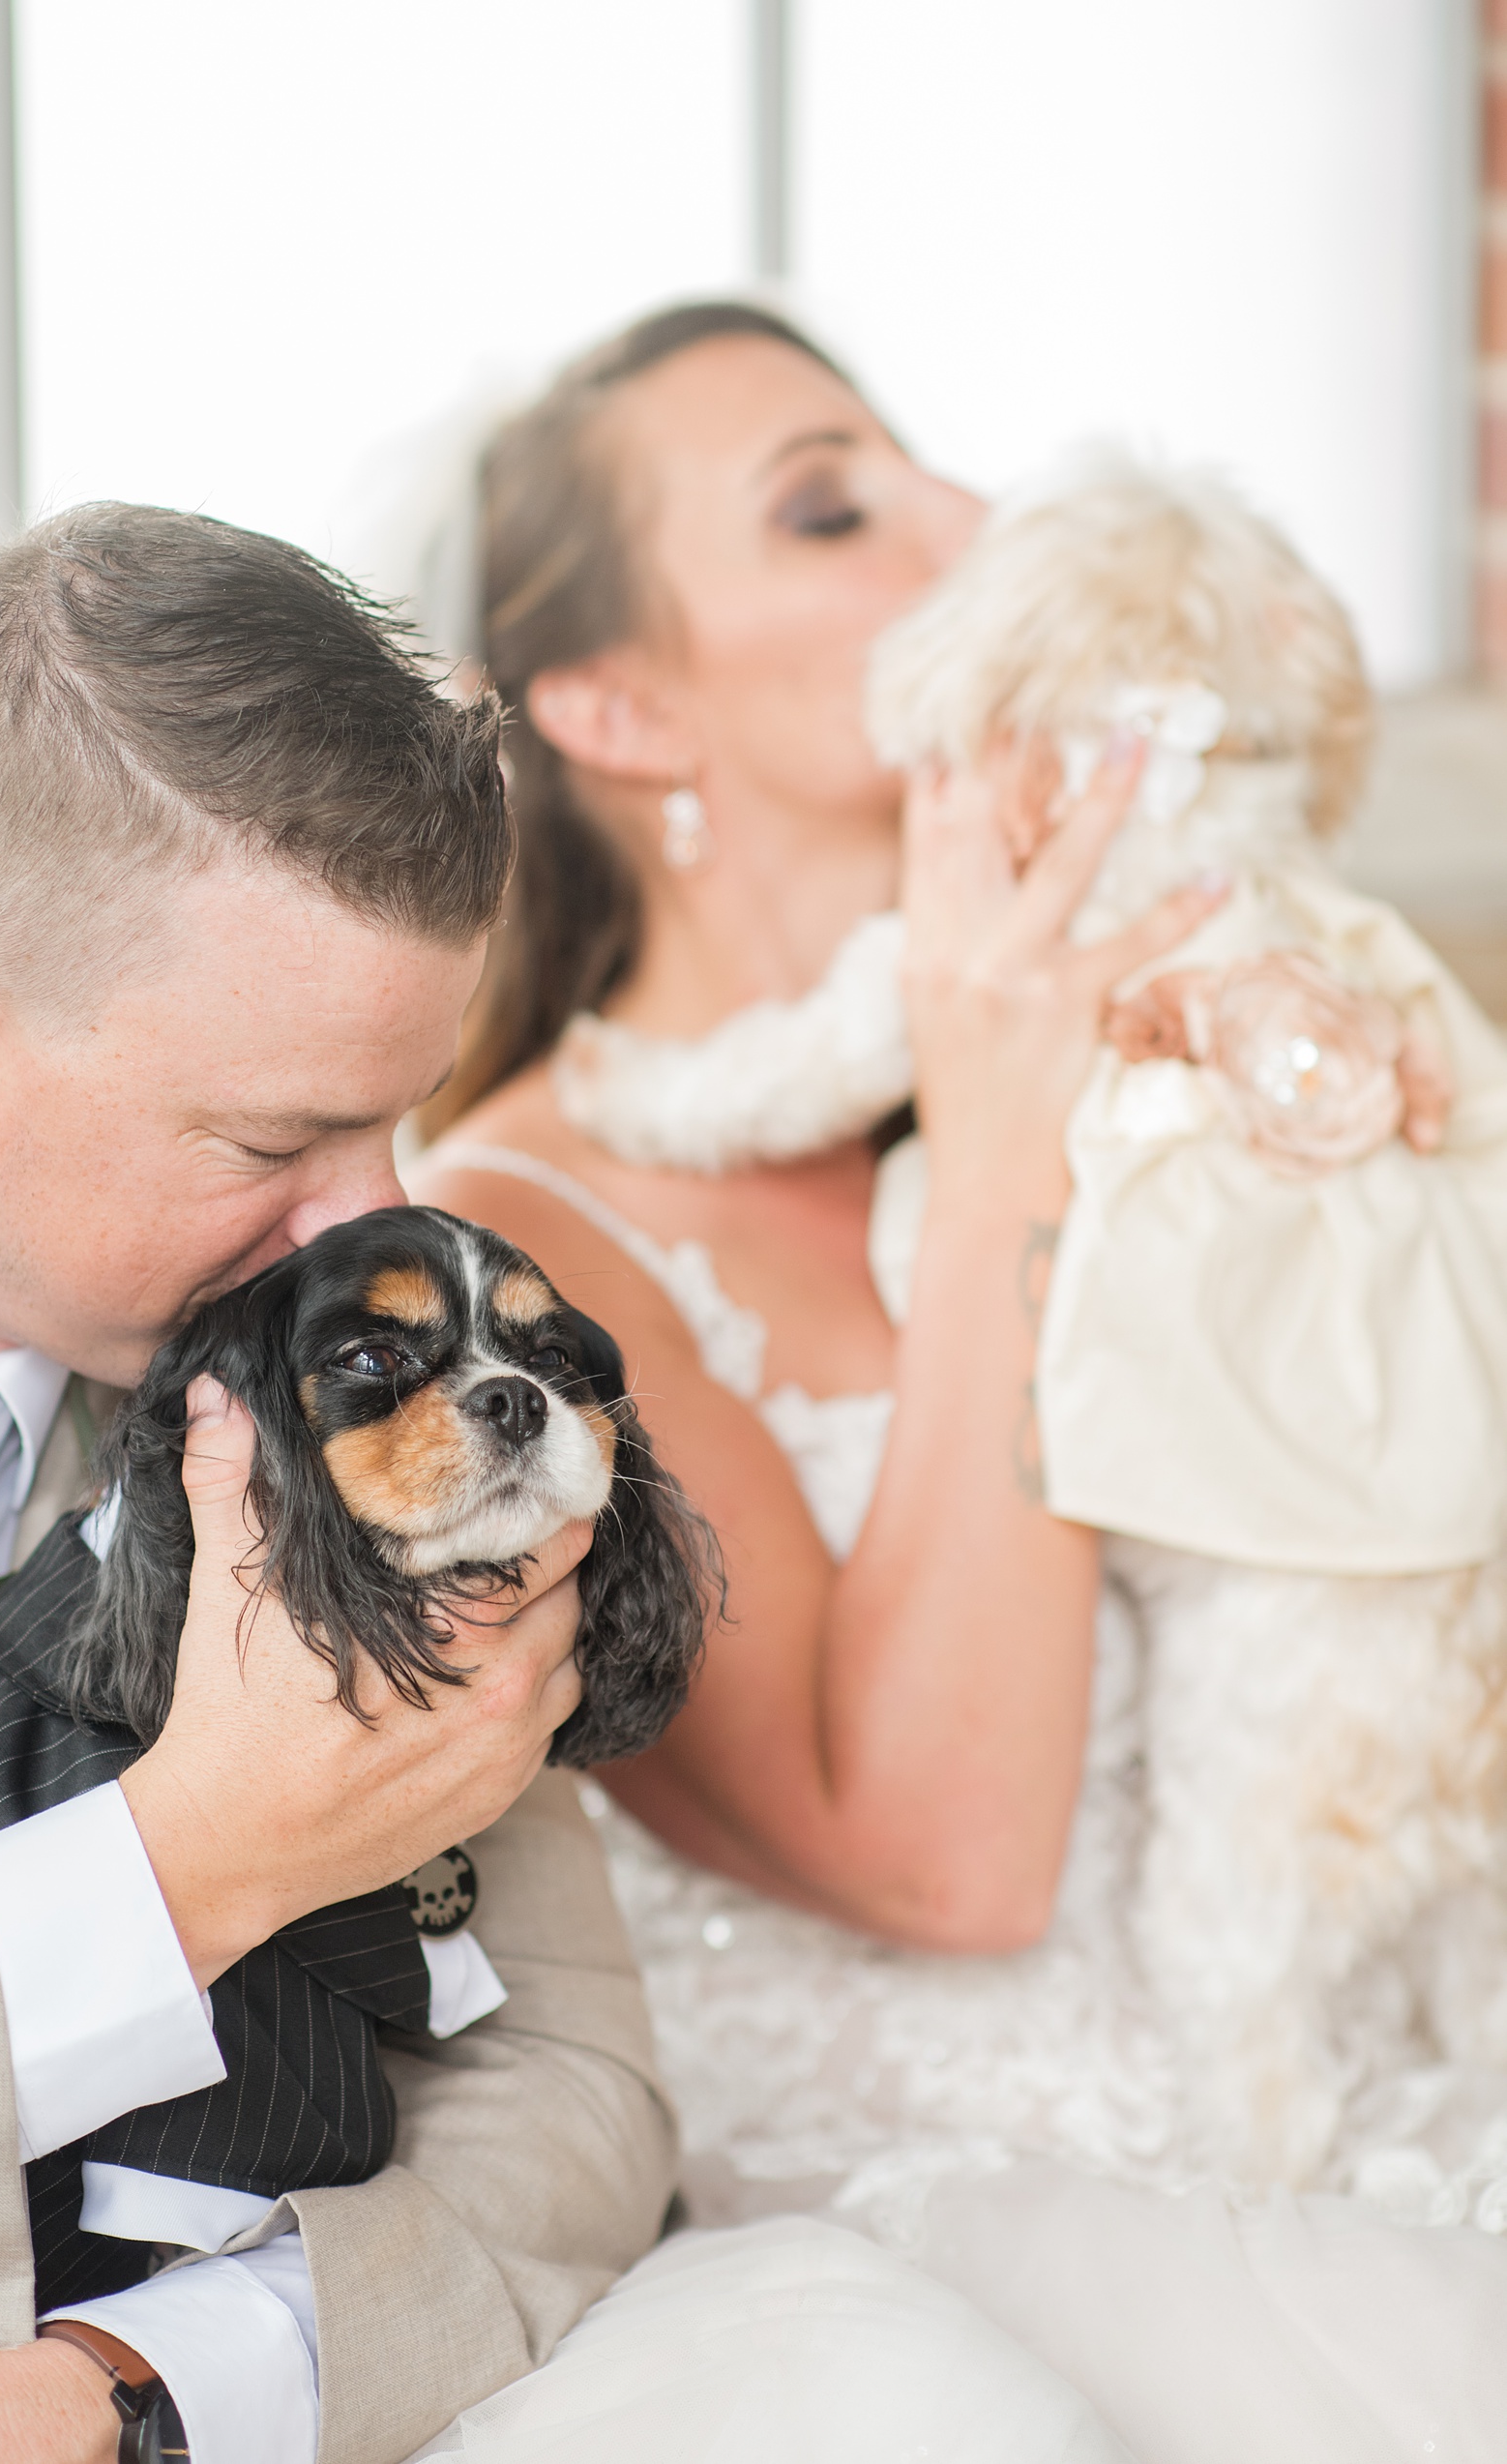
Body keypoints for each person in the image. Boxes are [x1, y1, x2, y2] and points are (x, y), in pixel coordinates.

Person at [0, 500, 1125, 2464]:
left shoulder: (311, 1396)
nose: (368, 1221)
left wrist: (157, 2390)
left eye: (400, 1118)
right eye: (276, 1135)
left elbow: (574, 2082)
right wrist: (194, 1857)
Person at [402, 301, 1507, 2464]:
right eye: (831, 506)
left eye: (929, 466)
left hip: (1381, 2095)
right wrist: (1004, 1125)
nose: (976, 522)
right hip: (953, 2270)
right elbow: (944, 1856)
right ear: (620, 707)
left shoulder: (1153, 1051)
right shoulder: (512, 1241)